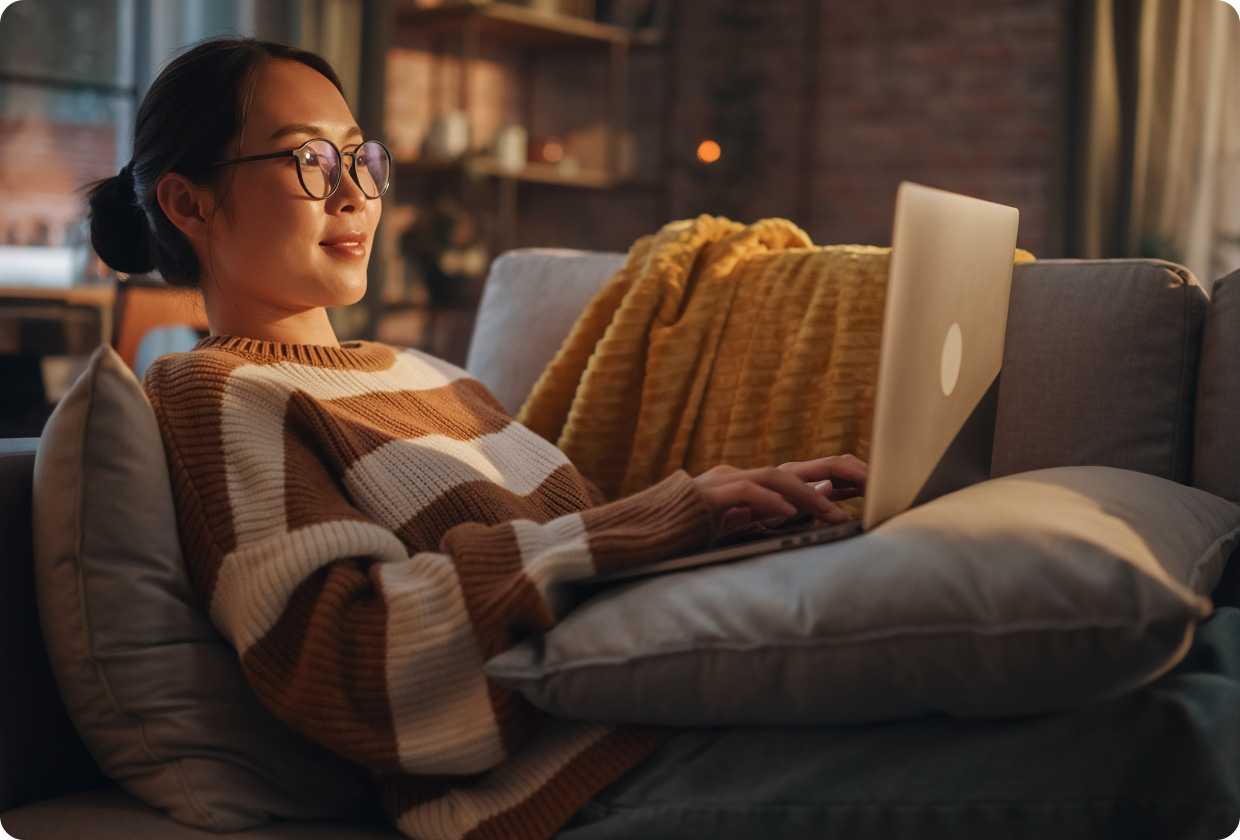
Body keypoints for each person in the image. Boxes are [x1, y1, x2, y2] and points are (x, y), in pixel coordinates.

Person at [87, 37, 867, 840]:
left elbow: (584, 558)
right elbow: (355, 670)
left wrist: (726, 520)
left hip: (675, 705)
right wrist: (663, 517)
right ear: (188, 205)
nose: (354, 194)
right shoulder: (214, 391)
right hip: (574, 780)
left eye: (360, 158)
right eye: (310, 160)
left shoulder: (432, 375)